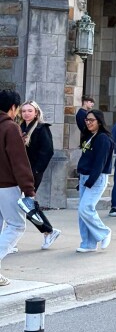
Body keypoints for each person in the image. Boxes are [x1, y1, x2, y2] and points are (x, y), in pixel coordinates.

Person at [0, 90, 36, 284]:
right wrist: (29, 189)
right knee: (16, 225)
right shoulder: (10, 127)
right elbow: (19, 161)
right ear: (13, 108)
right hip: (6, 186)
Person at [16, 100, 61, 249]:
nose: (26, 113)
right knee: (21, 205)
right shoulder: (19, 127)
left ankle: (48, 231)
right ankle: (48, 231)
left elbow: (47, 151)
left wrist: (36, 170)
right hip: (18, 172)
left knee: (26, 205)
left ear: (36, 112)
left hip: (32, 173)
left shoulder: (41, 128)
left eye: (30, 110)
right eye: (24, 111)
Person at [76, 108, 113, 253]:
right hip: (85, 176)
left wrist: (90, 181)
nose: (88, 123)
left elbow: (100, 163)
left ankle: (104, 232)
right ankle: (88, 243)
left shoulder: (103, 138)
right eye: (87, 120)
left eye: (91, 120)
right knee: (82, 211)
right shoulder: (89, 136)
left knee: (85, 208)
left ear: (99, 121)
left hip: (96, 178)